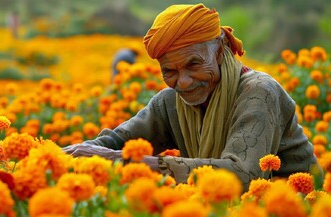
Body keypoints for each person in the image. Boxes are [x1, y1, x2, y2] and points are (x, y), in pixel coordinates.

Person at [63, 4, 322, 190]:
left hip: (297, 214)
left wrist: (124, 160)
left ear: (220, 50)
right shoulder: (170, 103)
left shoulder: (258, 92)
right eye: (170, 71)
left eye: (194, 65)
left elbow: (243, 175)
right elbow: (116, 141)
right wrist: (58, 157)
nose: (183, 81)